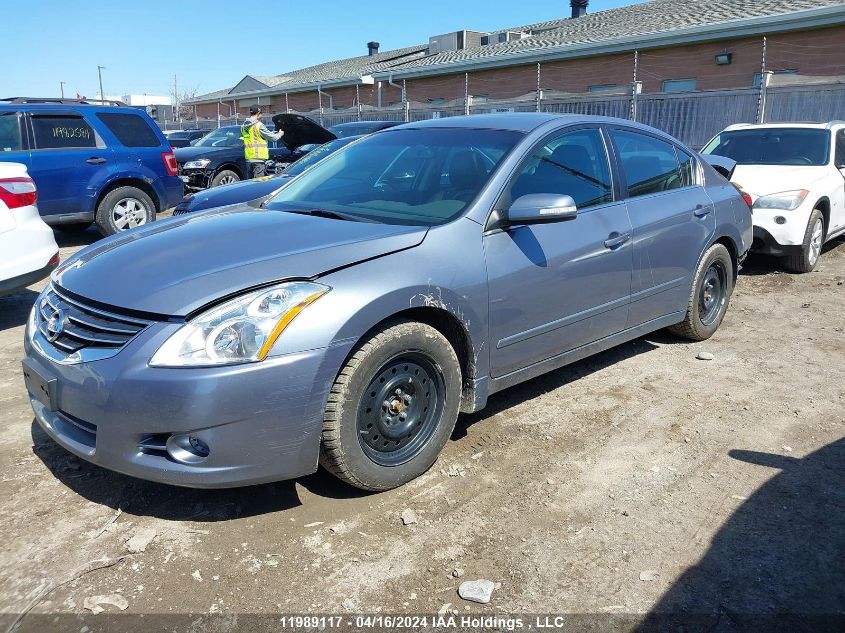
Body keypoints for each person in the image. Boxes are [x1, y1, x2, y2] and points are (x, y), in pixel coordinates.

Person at [241, 105, 283, 178]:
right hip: (258, 160)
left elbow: (255, 137)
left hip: (249, 159)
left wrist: (271, 133)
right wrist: (280, 134)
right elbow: (273, 138)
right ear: (258, 113)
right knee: (258, 184)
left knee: (250, 183)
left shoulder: (244, 126)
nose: (262, 116)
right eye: (261, 114)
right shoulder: (259, 125)